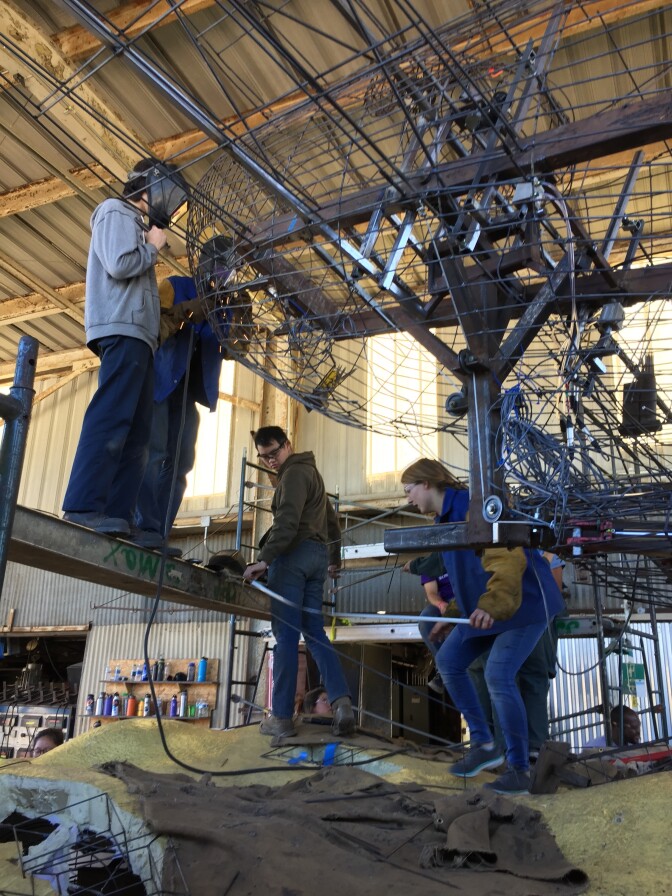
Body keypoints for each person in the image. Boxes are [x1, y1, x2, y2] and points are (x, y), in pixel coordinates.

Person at [401, 458, 564, 794]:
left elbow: (508, 560)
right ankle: (485, 744)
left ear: (428, 484)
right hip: (492, 608)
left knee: (497, 675)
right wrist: (454, 614)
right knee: (447, 660)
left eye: (409, 490)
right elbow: (468, 576)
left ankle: (519, 769)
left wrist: (489, 606)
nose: (408, 499)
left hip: (525, 606)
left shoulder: (477, 508)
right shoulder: (446, 520)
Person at [62, 158, 188, 547]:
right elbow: (119, 264)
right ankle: (83, 505)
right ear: (144, 189)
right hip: (121, 329)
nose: (168, 203)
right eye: (164, 193)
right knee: (112, 416)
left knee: (137, 432)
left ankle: (117, 514)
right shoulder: (114, 211)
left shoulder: (135, 224)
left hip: (141, 338)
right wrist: (151, 247)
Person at [242, 426, 355, 738]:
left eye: (274, 453)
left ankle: (280, 717)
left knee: (287, 637)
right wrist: (334, 559)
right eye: (264, 457)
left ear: (287, 444)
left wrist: (264, 558)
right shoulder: (312, 473)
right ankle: (342, 703)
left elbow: (287, 522)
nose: (270, 461)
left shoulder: (292, 475)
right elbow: (332, 523)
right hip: (317, 557)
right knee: (315, 633)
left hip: (293, 557)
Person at [134, 274, 223, 547]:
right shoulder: (174, 286)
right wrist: (183, 312)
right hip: (161, 384)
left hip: (188, 395)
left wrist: (237, 325)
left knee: (182, 463)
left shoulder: (226, 305)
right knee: (154, 452)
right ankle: (143, 526)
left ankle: (159, 531)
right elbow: (148, 322)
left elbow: (232, 348)